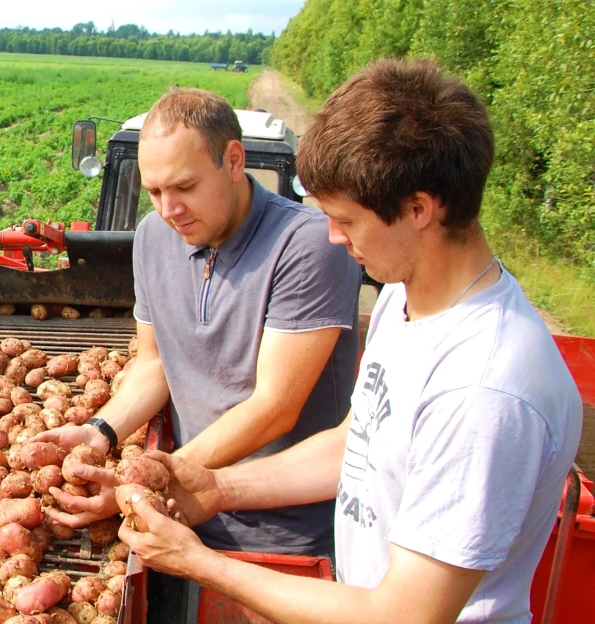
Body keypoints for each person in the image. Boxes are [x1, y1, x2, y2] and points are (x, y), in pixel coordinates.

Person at [118, 58, 582, 623]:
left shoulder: (485, 387)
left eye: (348, 220)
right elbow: (353, 445)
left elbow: (404, 616)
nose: (334, 237)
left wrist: (202, 564)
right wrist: (217, 488)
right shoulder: (402, 300)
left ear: (418, 209)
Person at [34, 86, 361, 559]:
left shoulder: (305, 244)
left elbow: (274, 405)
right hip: (180, 512)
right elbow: (155, 362)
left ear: (232, 160)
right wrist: (101, 432)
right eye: (154, 192)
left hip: (282, 536)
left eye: (184, 187)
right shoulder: (152, 237)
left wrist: (142, 482)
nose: (169, 210)